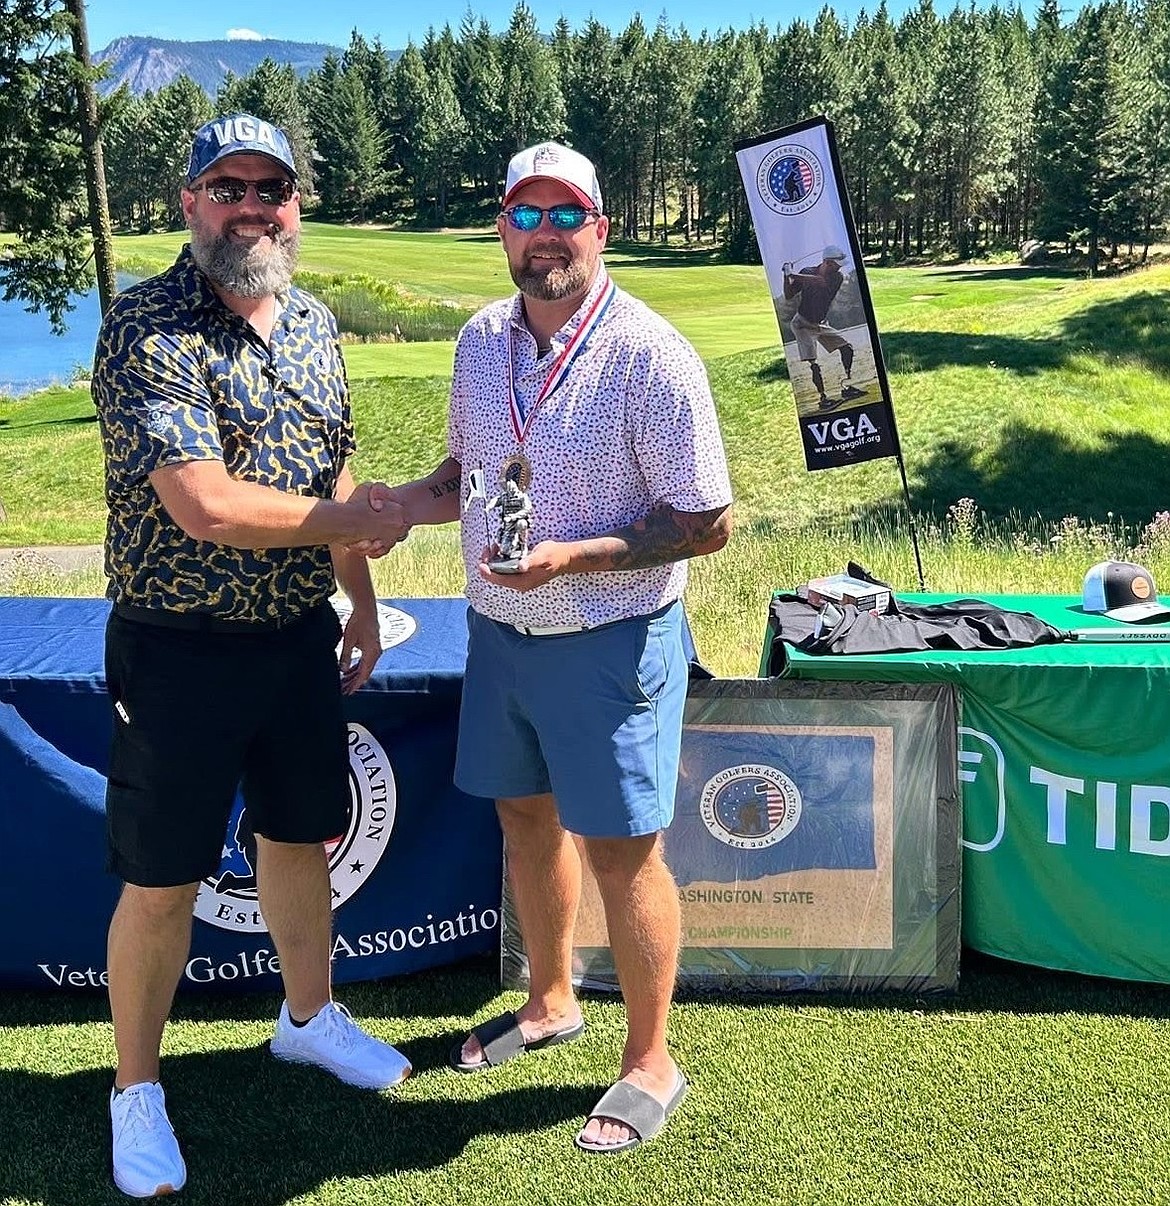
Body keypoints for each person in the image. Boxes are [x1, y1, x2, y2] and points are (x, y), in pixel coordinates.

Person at [373, 141, 733, 1153]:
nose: (545, 238)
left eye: (564, 215)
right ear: (502, 231)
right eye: (524, 218)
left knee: (623, 851)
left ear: (601, 228)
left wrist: (574, 558)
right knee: (525, 821)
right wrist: (403, 506)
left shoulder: (650, 355)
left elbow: (706, 522)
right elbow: (470, 469)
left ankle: (651, 1061)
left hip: (610, 636)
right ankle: (549, 1000)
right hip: (502, 629)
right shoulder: (482, 340)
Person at [91, 113, 412, 1199]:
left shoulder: (317, 323)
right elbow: (208, 508)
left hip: (294, 641)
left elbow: (331, 488)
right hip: (178, 649)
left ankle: (308, 1018)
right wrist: (366, 517)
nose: (251, 205)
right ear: (188, 202)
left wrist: (360, 602)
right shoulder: (148, 324)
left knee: (297, 840)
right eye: (227, 186)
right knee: (163, 879)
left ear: (295, 206)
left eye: (270, 188)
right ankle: (136, 1088)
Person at [782, 245, 865, 410]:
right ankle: (823, 399)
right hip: (802, 324)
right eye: (837, 263)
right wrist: (786, 276)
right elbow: (789, 295)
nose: (840, 266)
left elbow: (819, 282)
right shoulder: (806, 272)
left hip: (821, 323)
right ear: (827, 262)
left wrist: (792, 273)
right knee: (814, 364)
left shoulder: (837, 277)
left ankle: (847, 385)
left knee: (846, 348)